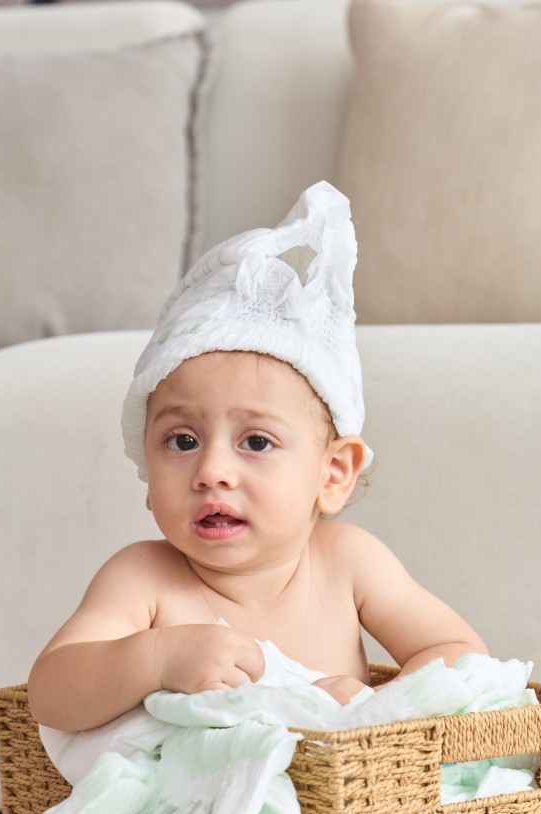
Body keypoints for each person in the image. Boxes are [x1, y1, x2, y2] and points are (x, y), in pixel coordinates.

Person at [26, 181, 487, 733]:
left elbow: (461, 655)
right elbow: (50, 696)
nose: (211, 472)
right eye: (182, 441)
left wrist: (377, 707)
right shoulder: (143, 578)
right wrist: (154, 659)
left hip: (341, 786)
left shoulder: (348, 564)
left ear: (333, 472)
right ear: (145, 467)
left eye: (257, 442)